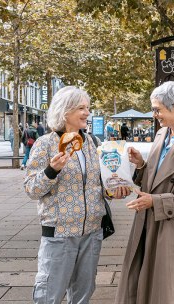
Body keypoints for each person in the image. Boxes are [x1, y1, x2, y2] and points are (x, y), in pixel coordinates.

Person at [24, 86, 130, 304]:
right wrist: (51, 171)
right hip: (60, 232)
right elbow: (32, 189)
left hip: (92, 232)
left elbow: (97, 186)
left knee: (83, 294)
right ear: (65, 111)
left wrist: (113, 190)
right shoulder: (46, 144)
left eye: (88, 107)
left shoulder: (92, 143)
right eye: (81, 108)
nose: (87, 113)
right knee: (49, 295)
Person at [116, 81, 174, 304]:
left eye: (158, 109)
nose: (154, 114)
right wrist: (141, 165)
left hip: (172, 227)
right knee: (141, 283)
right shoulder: (162, 134)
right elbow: (156, 178)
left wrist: (154, 202)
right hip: (148, 221)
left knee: (168, 291)